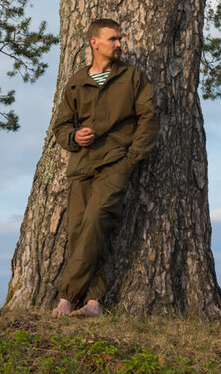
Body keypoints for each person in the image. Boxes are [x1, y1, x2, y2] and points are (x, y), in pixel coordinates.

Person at [50, 18, 157, 318]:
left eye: (120, 38)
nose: (119, 44)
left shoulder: (132, 77)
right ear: (94, 42)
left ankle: (66, 297)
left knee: (96, 218)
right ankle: (94, 301)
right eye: (113, 39)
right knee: (78, 230)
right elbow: (60, 126)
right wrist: (74, 136)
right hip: (82, 165)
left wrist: (132, 156)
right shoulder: (76, 81)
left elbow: (149, 117)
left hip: (116, 162)